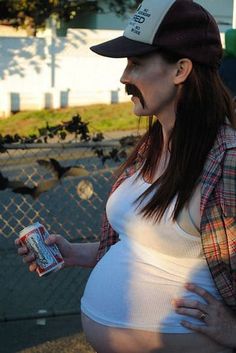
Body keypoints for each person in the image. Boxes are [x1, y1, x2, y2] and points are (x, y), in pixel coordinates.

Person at [15, 1, 236, 352]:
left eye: (136, 63)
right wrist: (77, 253)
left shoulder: (227, 160)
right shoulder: (151, 145)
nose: (124, 77)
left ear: (181, 70)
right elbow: (144, 244)